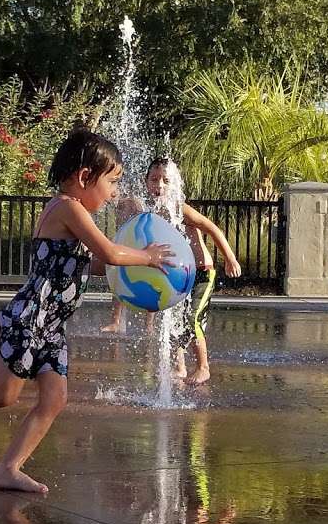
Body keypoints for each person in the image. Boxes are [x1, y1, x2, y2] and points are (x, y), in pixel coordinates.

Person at [0, 129, 175, 493]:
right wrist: (147, 257)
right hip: (27, 319)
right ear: (84, 177)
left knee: (55, 399)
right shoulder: (67, 207)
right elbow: (110, 253)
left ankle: (8, 468)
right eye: (111, 183)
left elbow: (97, 264)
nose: (114, 194)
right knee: (2, 395)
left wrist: (138, 272)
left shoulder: (73, 214)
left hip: (51, 327)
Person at [101, 157, 241, 383]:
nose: (160, 186)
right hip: (176, 277)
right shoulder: (150, 213)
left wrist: (230, 258)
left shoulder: (178, 208)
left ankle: (203, 367)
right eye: (154, 180)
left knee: (193, 319)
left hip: (201, 272)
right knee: (173, 318)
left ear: (174, 183)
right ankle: (180, 366)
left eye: (166, 180)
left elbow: (212, 228)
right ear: (146, 183)